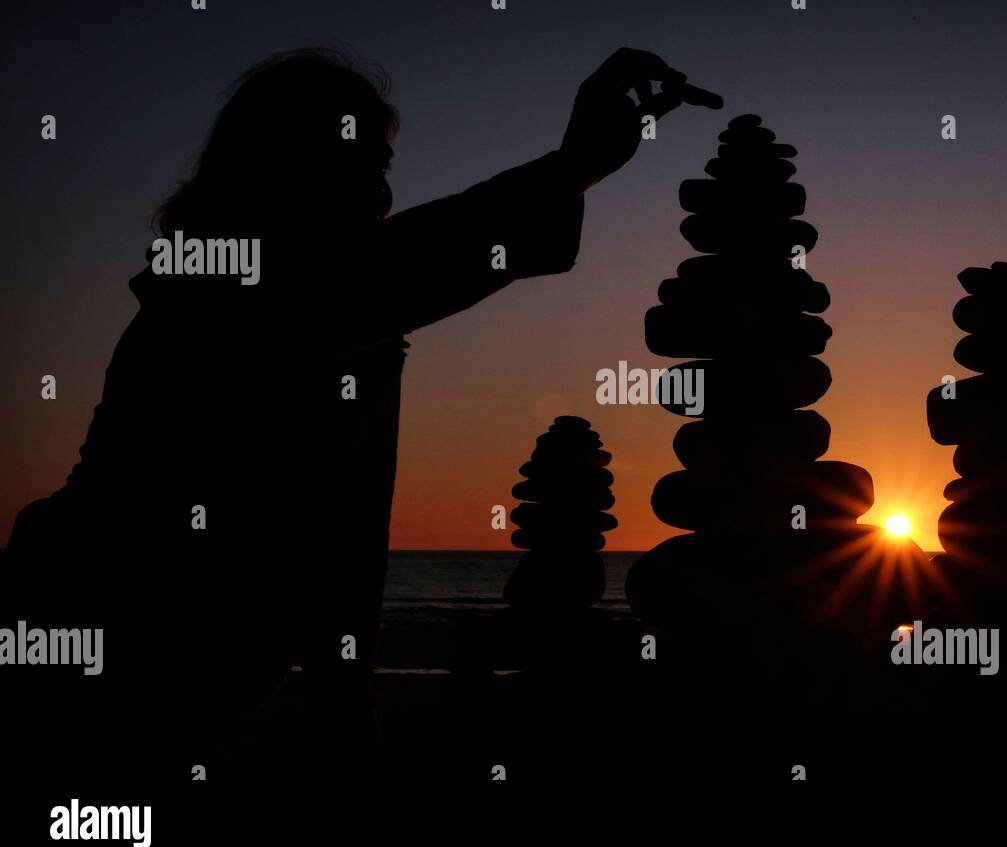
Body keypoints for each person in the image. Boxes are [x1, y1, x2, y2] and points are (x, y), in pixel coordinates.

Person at [2, 46, 721, 787]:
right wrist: (576, 162)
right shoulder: (232, 291)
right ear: (283, 161)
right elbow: (404, 266)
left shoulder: (339, 319)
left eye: (383, 165)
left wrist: (340, 687)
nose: (379, 191)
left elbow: (344, 522)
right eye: (357, 158)